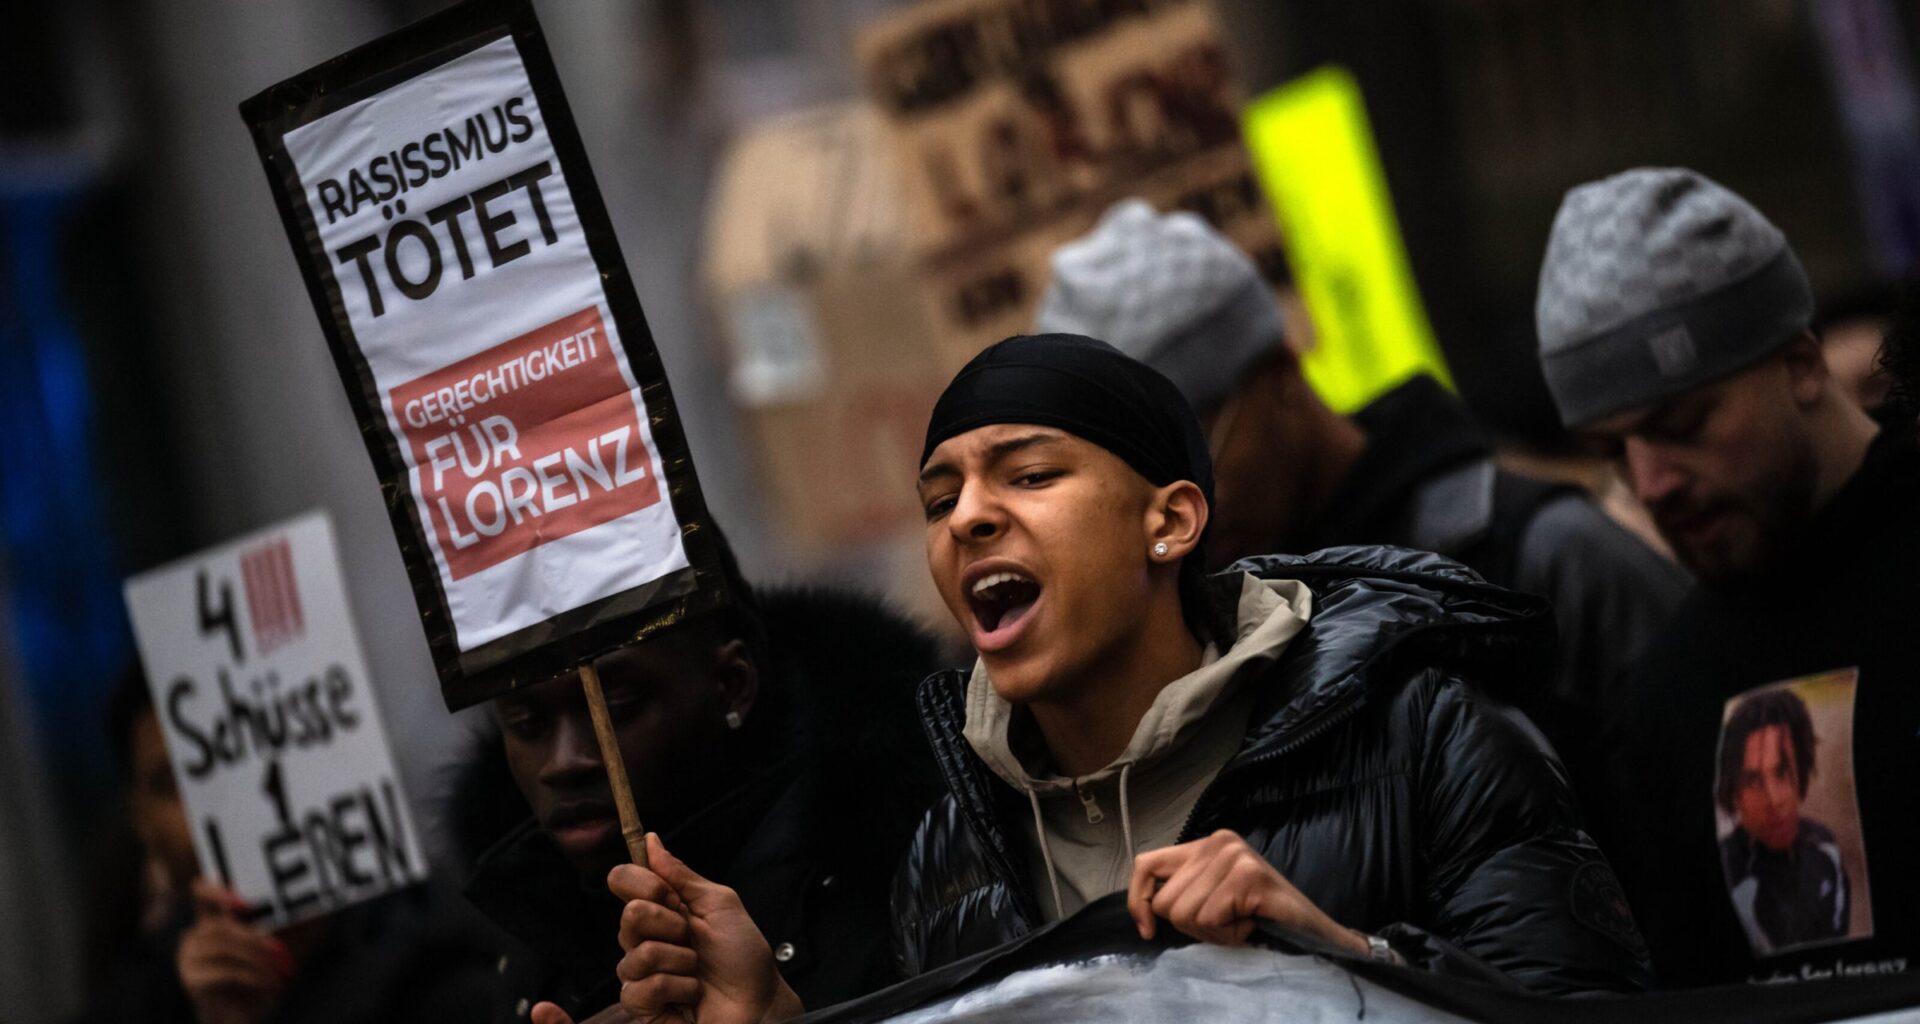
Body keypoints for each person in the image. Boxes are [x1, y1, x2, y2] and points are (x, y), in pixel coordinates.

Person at [536, 333, 1652, 1024]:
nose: (969, 514)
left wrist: (1342, 960)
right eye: (939, 500)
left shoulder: (1418, 731)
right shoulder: (952, 854)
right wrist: (772, 1017)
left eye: (1028, 473)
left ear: (1169, 522)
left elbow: (1602, 1007)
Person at [1032, 199, 1689, 827]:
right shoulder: (1202, 655)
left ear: (1281, 373)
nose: (1180, 515)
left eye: (1194, 459)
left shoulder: (1534, 556)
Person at [1533, 166, 1920, 985]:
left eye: (1682, 425)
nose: (1653, 484)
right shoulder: (1666, 699)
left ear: (1801, 362)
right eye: (1613, 454)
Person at [452, 550, 946, 1022]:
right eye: (525, 723)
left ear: (732, 685)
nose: (562, 762)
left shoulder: (902, 875)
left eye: (615, 707)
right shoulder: (527, 929)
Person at [70, 668, 499, 1024]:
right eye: (171, 784)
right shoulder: (132, 1000)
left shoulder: (458, 970)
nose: (209, 808)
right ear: (141, 820)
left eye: (229, 760)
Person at [1716, 688, 1850, 956]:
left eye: (1782, 771)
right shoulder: (1726, 871)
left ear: (1802, 767)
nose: (1774, 799)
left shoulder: (1827, 851)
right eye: (1753, 780)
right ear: (1734, 793)